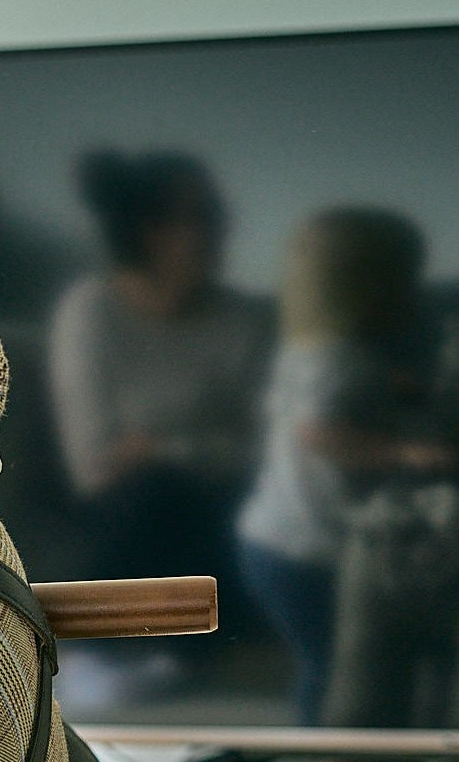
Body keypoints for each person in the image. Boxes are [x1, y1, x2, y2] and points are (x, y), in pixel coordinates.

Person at [236, 206, 458, 725]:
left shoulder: (308, 350)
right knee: (332, 664)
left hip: (268, 542)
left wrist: (401, 388)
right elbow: (318, 431)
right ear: (370, 287)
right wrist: (408, 453)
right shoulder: (340, 360)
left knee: (323, 657)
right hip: (303, 550)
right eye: (404, 280)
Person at [48, 149, 270, 586]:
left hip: (226, 506)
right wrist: (203, 450)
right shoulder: (90, 313)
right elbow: (93, 470)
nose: (218, 232)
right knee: (149, 501)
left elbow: (263, 453)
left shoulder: (243, 321)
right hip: (132, 514)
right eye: (199, 218)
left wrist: (159, 449)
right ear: (149, 231)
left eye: (218, 217)